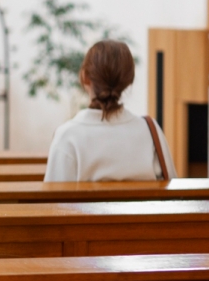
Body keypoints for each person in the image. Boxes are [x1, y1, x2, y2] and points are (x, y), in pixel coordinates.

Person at [44, 39, 176, 181]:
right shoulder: (150, 131)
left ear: (85, 77)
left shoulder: (68, 136)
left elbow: (53, 200)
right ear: (129, 80)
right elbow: (173, 189)